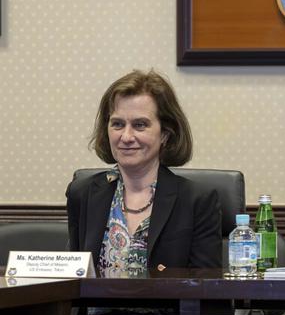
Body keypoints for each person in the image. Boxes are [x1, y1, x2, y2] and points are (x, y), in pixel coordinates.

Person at [66, 70, 222, 276]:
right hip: (97, 309)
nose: (126, 136)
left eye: (140, 125)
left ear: (165, 133)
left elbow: (207, 290)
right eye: (118, 124)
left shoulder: (197, 200)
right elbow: (73, 281)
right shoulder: (82, 192)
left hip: (171, 308)